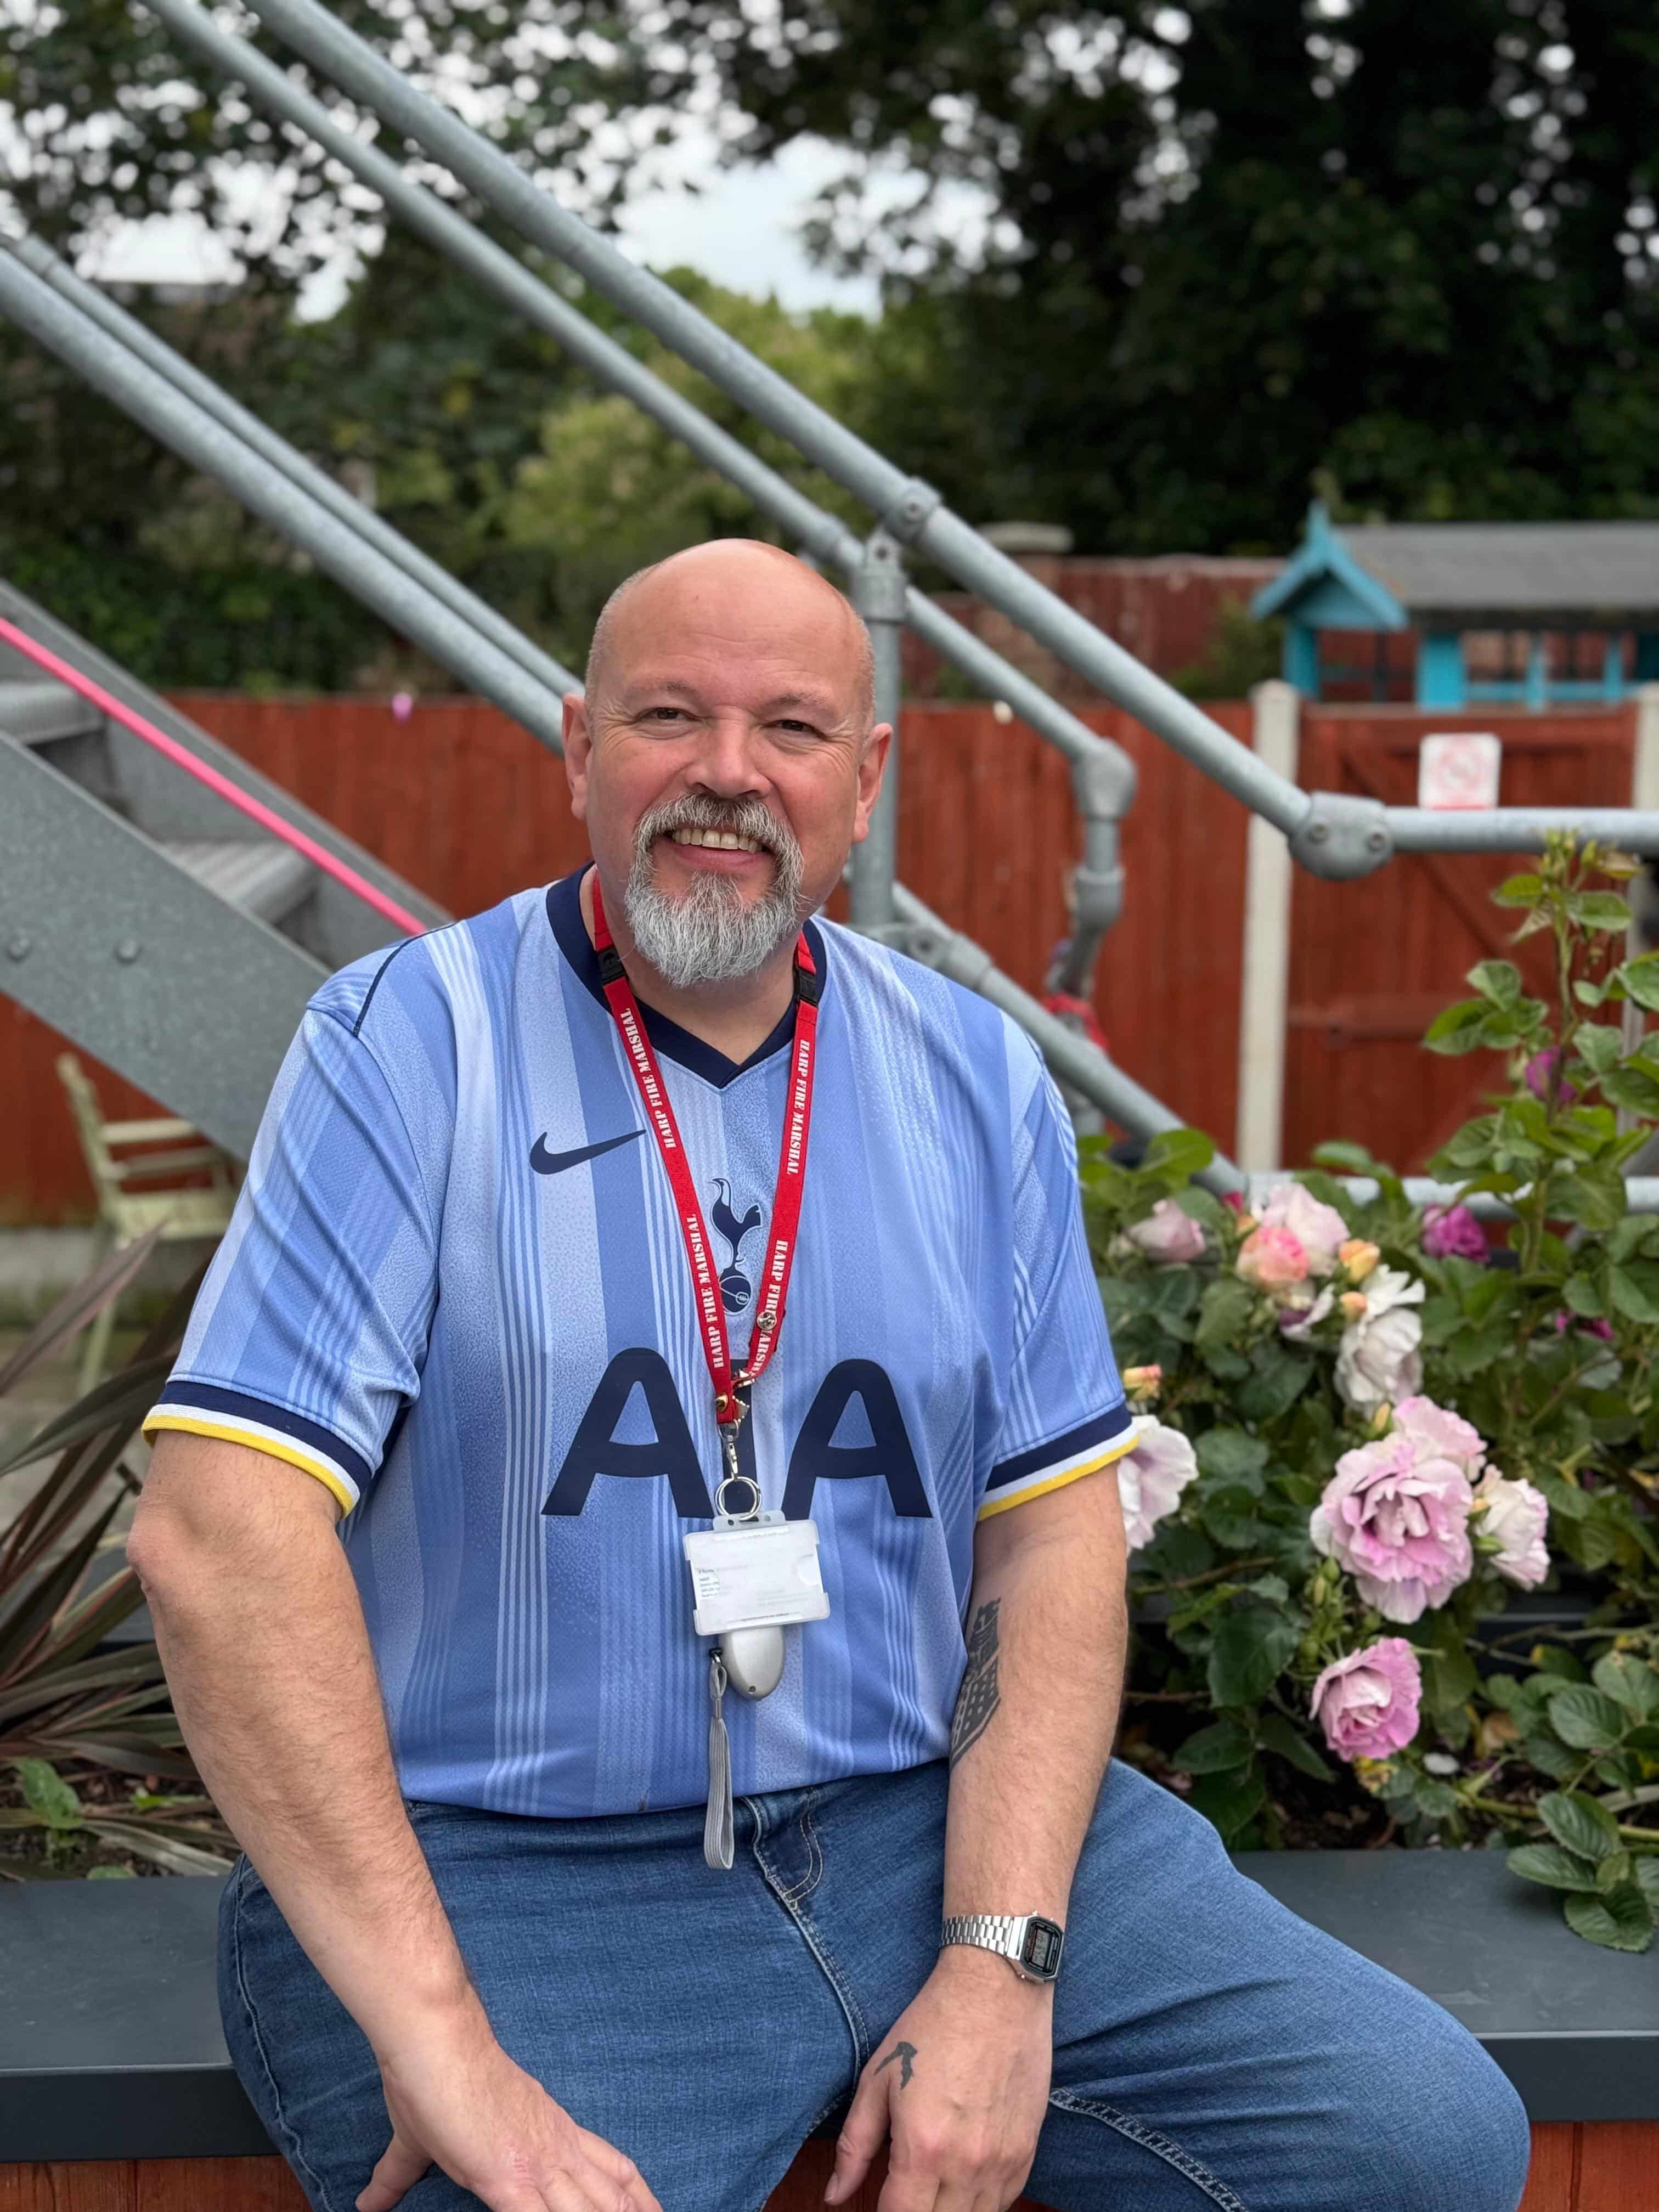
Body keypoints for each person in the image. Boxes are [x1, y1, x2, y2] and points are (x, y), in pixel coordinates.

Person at [129, 540, 1531, 2212]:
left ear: (863, 784)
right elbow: (219, 1533)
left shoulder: (970, 1073)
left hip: (920, 1824)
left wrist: (1003, 1957)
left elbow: (1052, 1534)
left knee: (1419, 2144)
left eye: (791, 728)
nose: (728, 774)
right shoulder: (406, 1046)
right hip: (515, 1882)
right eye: (669, 715)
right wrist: (440, 2038)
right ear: (579, 749)